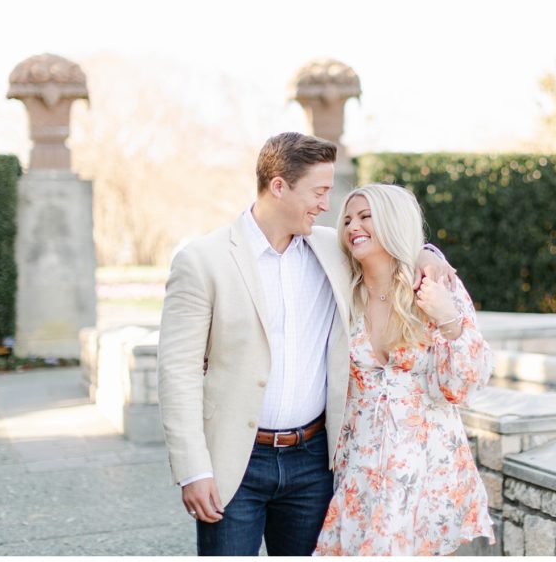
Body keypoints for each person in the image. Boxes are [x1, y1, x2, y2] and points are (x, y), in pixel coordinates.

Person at [157, 133, 455, 556]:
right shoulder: (203, 260)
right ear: (279, 186)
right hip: (235, 462)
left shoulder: (330, 248)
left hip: (315, 463)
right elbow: (177, 372)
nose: (326, 205)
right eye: (318, 191)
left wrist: (429, 255)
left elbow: (390, 246)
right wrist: (192, 470)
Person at [314, 184, 495, 556]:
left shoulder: (434, 286)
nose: (352, 227)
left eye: (365, 217)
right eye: (347, 219)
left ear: (392, 222)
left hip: (428, 470)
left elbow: (461, 388)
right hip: (361, 469)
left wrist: (448, 318)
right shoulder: (341, 294)